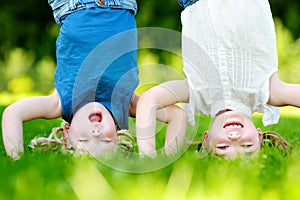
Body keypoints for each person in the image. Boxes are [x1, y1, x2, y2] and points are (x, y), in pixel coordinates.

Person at [2, 0, 186, 160]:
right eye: (105, 140)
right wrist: (162, 159)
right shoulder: (127, 105)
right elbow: (177, 116)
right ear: (117, 133)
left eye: (84, 140)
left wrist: (16, 159)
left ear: (66, 133)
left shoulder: (61, 103)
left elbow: (12, 114)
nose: (96, 132)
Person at [135, 0, 300, 158]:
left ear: (206, 139)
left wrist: (149, 157)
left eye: (223, 147)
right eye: (247, 146)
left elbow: (149, 100)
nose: (235, 137)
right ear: (258, 135)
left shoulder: (196, 94)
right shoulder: (267, 92)